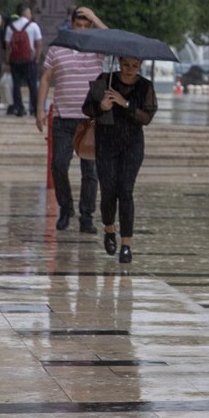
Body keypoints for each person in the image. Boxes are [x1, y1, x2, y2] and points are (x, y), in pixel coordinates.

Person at [36, 6, 107, 233]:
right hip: (63, 118)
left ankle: (87, 216)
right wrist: (39, 109)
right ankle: (66, 209)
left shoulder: (97, 47)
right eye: (80, 23)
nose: (83, 28)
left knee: (90, 171)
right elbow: (46, 79)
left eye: (87, 24)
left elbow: (115, 40)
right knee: (58, 164)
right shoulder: (58, 47)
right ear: (72, 23)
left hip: (91, 119)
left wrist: (96, 17)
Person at [82, 56, 158, 264]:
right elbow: (86, 108)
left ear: (140, 66)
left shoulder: (145, 86)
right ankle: (109, 229)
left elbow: (147, 118)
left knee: (125, 191)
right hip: (106, 144)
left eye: (134, 66)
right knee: (108, 190)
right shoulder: (105, 79)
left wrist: (125, 103)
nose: (129, 70)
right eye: (125, 65)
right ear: (119, 63)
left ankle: (126, 245)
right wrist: (101, 107)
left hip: (132, 145)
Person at [5, 3, 43, 117]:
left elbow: (7, 47)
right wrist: (37, 58)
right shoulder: (33, 26)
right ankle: (34, 109)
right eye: (30, 13)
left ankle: (19, 108)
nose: (31, 15)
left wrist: (7, 62)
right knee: (32, 84)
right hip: (29, 60)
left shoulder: (10, 27)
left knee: (16, 85)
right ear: (26, 13)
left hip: (15, 60)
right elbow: (39, 44)